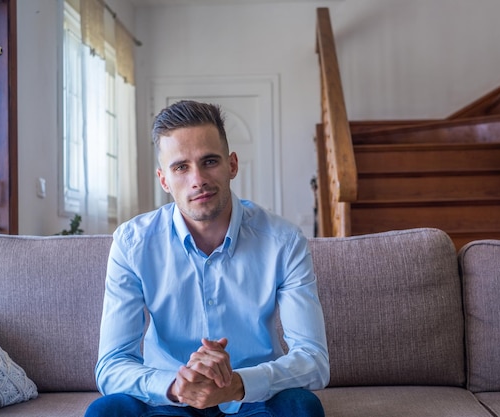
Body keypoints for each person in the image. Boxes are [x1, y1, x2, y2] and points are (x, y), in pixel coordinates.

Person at [85, 100, 330, 417]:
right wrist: (176, 385)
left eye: (209, 161)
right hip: (169, 400)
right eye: (181, 167)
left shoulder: (283, 242)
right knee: (106, 411)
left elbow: (314, 360)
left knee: (301, 407)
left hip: (253, 399)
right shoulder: (132, 243)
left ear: (232, 165)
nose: (197, 179)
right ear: (164, 180)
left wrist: (238, 384)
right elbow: (111, 364)